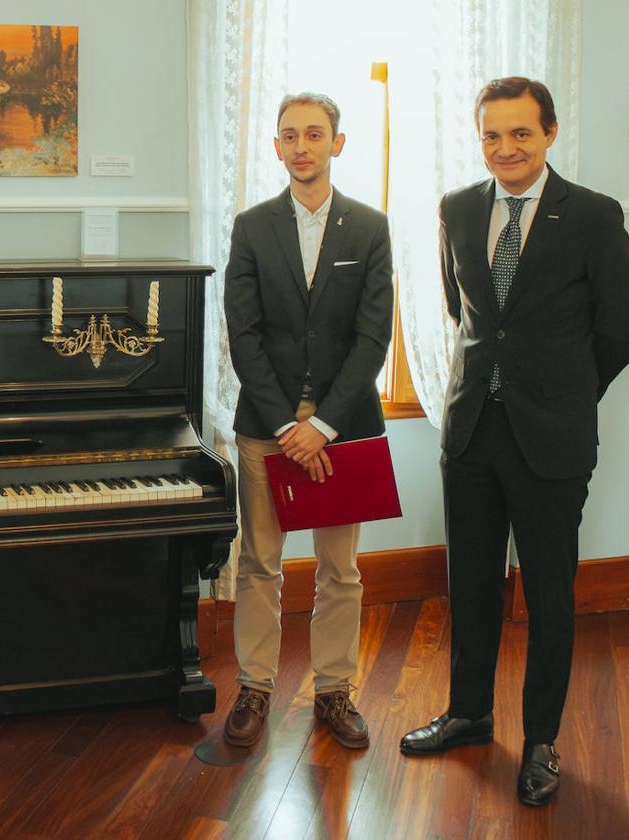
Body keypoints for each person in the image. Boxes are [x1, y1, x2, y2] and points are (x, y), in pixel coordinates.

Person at [400, 77, 629, 806]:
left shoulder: (595, 216)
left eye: (521, 134)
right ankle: (470, 714)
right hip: (471, 430)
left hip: (552, 439)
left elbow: (624, 325)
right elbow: (463, 310)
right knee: (468, 584)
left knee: (548, 596)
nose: (505, 148)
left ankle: (541, 741)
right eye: (491, 135)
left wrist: (567, 390)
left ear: (551, 133)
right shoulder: (456, 209)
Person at [221, 93, 394, 749]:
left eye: (314, 134)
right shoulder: (252, 226)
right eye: (289, 135)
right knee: (260, 564)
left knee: (339, 570)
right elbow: (245, 336)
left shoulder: (371, 228)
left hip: (341, 427)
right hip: (264, 423)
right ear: (276, 147)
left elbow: (372, 340)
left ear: (336, 144)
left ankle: (333, 693)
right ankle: (255, 688)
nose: (301, 146)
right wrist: (284, 424)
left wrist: (319, 427)